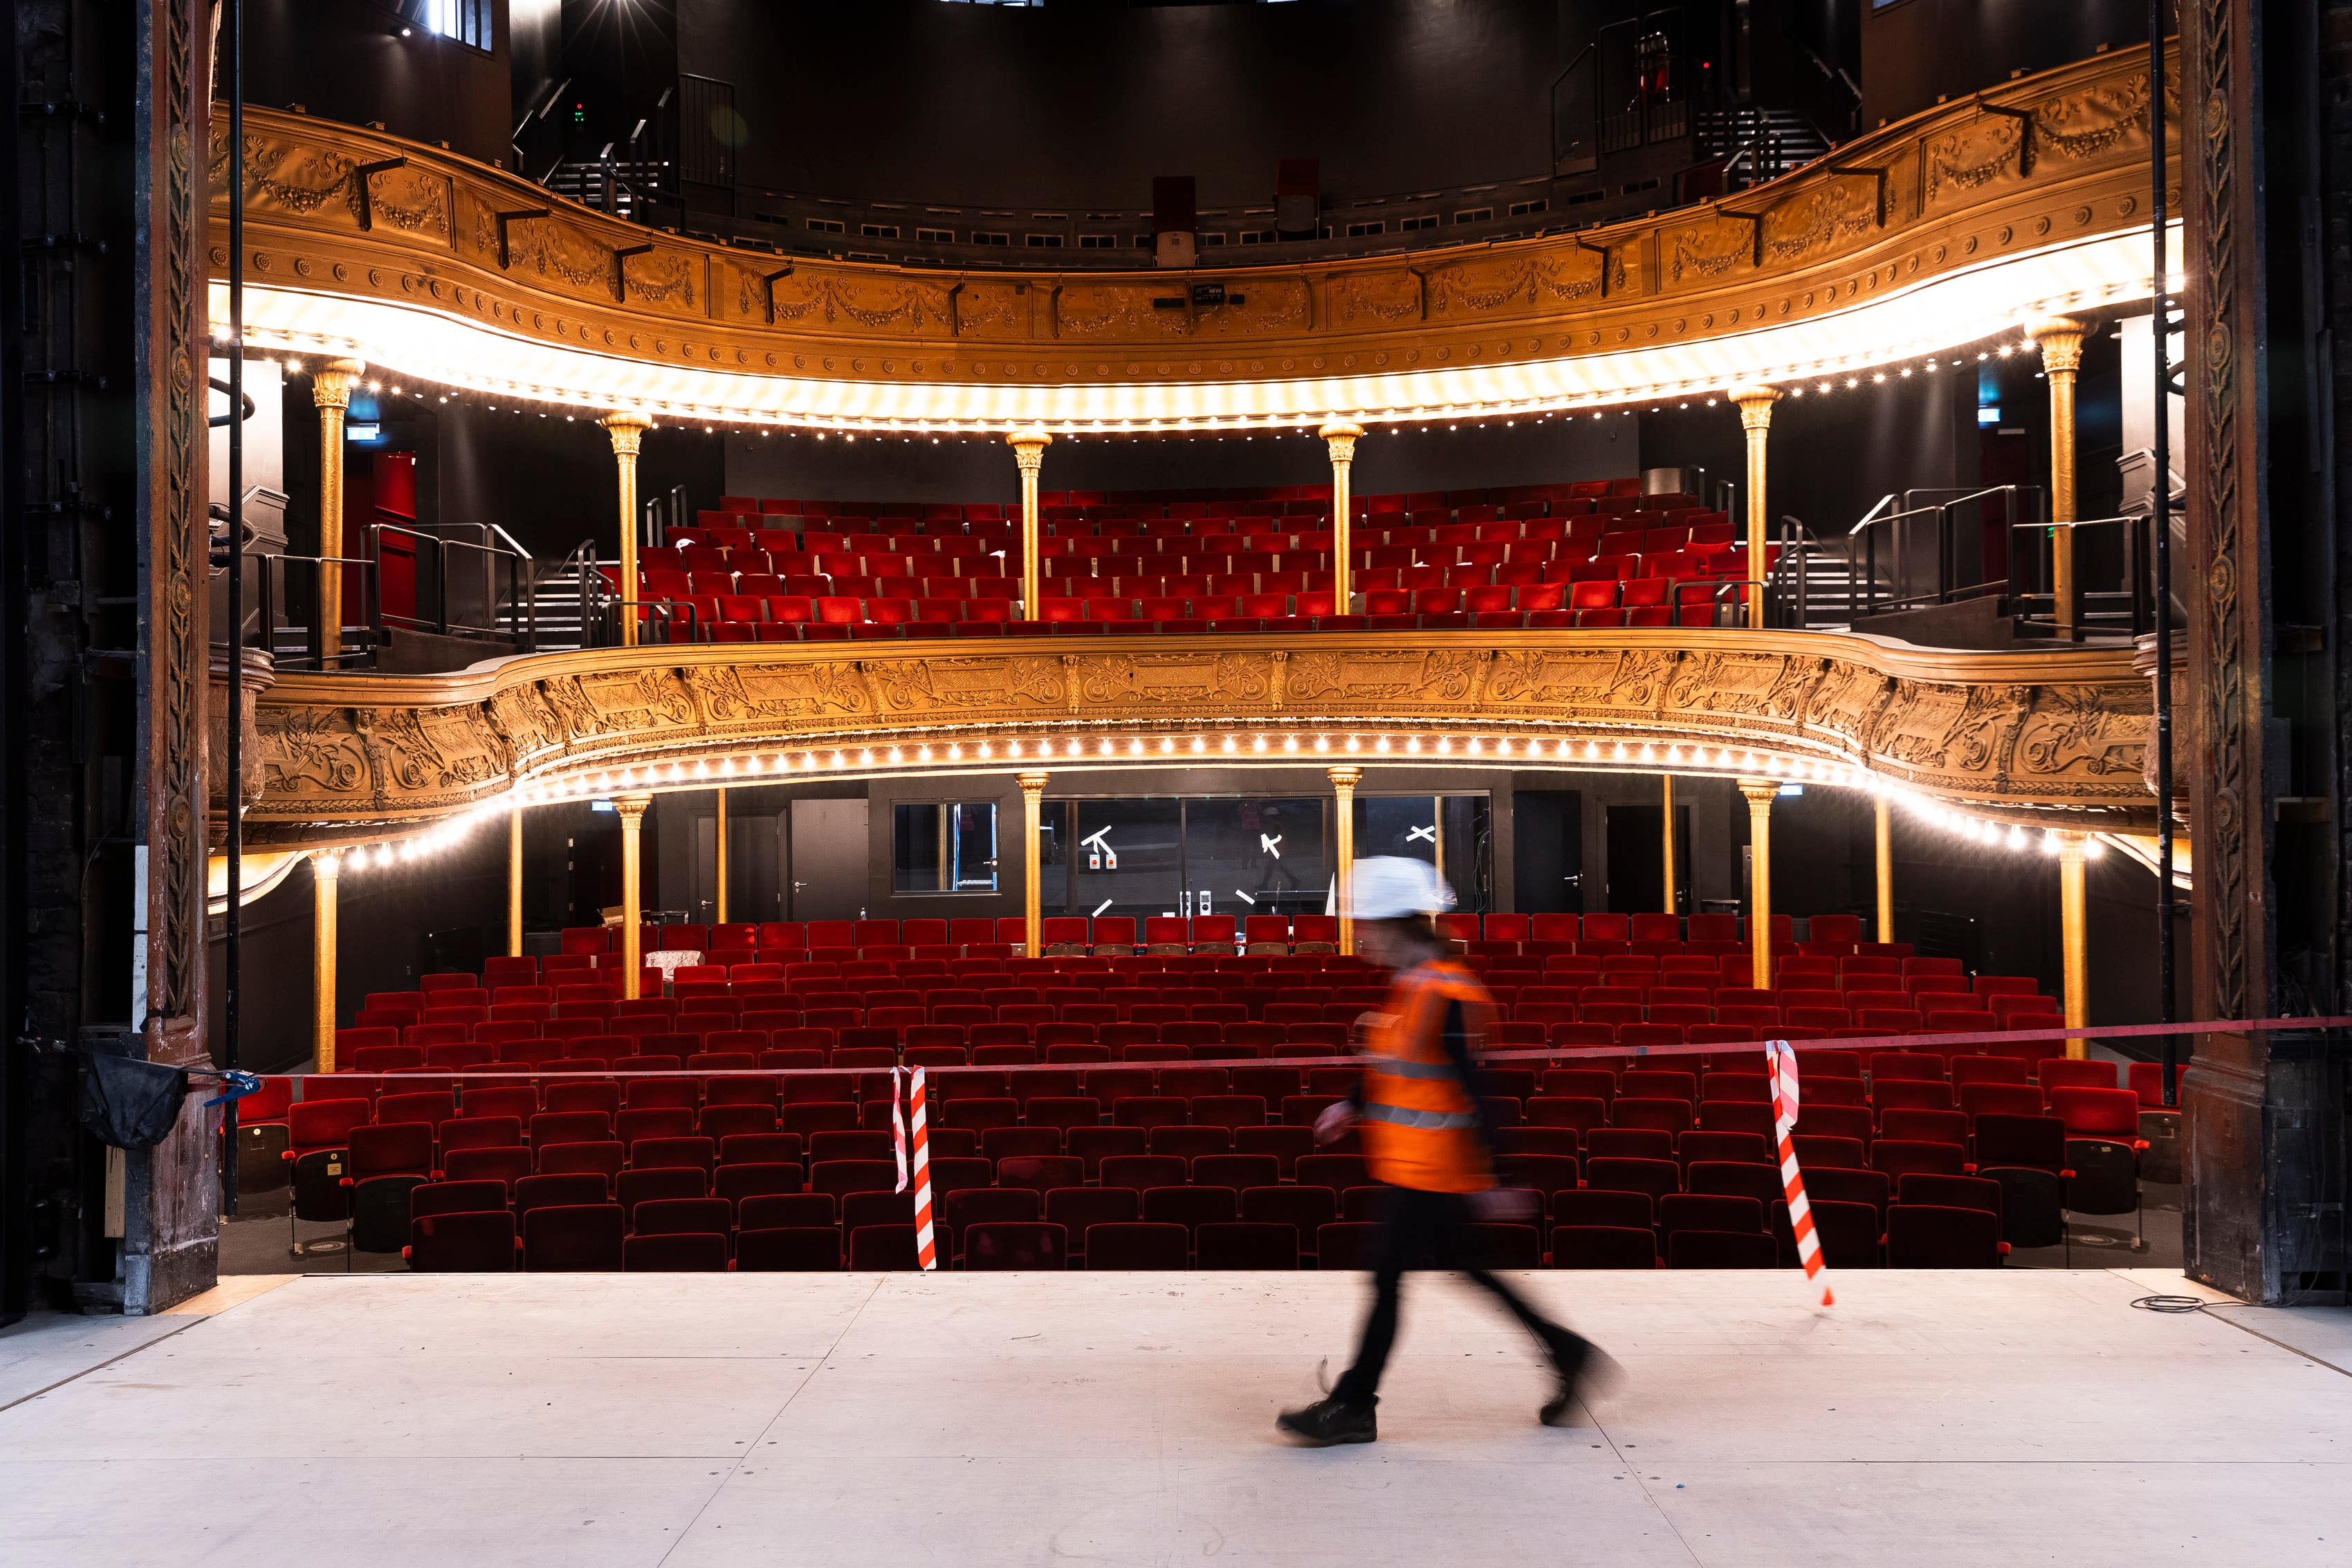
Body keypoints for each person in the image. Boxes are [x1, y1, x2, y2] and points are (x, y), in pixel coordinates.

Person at [1277, 857, 1609, 1446]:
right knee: (1471, 1270)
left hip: (1436, 1166)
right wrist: (1352, 1104)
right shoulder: (1410, 986)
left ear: (1397, 925)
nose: (1360, 936)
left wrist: (1499, 1173)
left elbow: (1476, 1086)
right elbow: (1400, 1067)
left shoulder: (1446, 990)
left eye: (1367, 925)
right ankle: (1568, 1350)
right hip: (1413, 1161)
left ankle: (1354, 1403)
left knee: (1387, 1278)